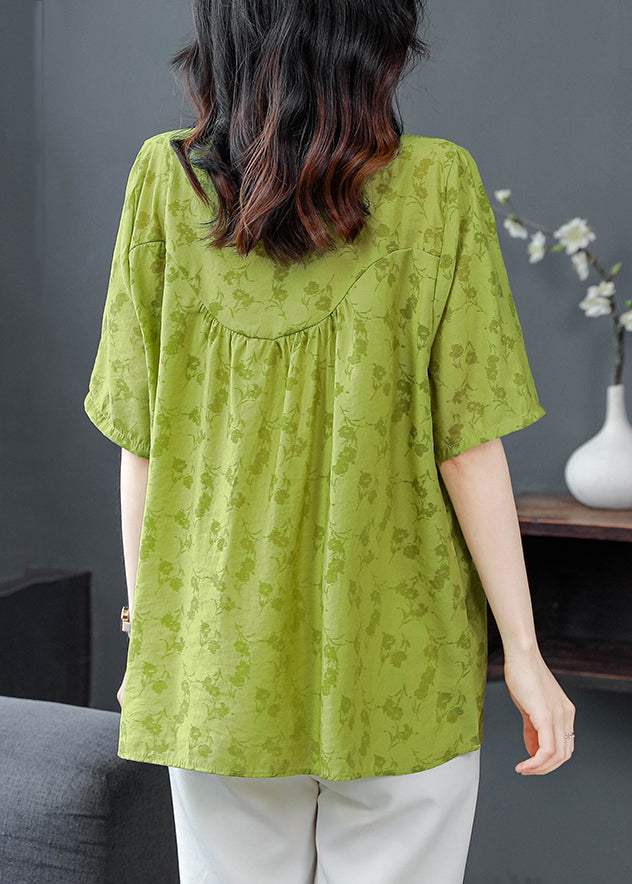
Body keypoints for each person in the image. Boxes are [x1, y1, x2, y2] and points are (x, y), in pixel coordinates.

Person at [84, 1, 576, 882]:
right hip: (403, 666)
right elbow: (468, 449)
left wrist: (149, 638)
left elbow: (142, 441)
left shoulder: (164, 180)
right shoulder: (439, 185)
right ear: (374, 35)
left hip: (217, 662)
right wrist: (527, 658)